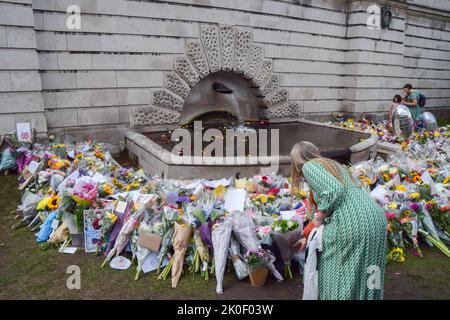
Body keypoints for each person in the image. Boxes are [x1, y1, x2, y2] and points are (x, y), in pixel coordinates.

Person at [290, 141, 387, 300]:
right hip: (374, 219)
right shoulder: (334, 166)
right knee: (370, 271)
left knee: (337, 277)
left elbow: (334, 191)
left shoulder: (309, 166)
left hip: (352, 224)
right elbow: (320, 206)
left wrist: (320, 216)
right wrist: (306, 237)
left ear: (297, 160)